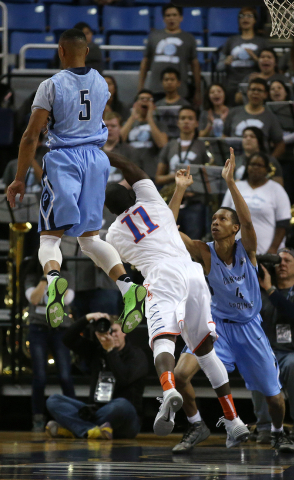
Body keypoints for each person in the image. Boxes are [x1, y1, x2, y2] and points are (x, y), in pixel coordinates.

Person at [6, 29, 146, 334]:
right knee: (90, 239)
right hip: (97, 160)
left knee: (49, 238)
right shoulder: (101, 82)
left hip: (65, 159)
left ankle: (54, 281)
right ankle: (127, 286)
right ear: (88, 49)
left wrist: (19, 179)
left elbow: (31, 136)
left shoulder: (51, 85)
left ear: (60, 51)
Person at [105, 151, 249, 446]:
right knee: (205, 350)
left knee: (163, 340)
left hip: (161, 277)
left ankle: (168, 388)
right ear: (132, 195)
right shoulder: (153, 202)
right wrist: (105, 154)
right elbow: (132, 165)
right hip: (192, 273)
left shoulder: (113, 236)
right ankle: (233, 419)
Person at [172, 148, 294, 454]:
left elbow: (250, 222)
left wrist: (230, 182)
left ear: (235, 228)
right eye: (213, 218)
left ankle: (279, 432)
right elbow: (168, 231)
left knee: (274, 397)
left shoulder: (248, 249)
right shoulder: (204, 251)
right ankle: (196, 424)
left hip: (249, 328)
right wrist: (178, 190)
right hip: (217, 328)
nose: (216, 221)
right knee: (179, 375)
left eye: (223, 218)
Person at [45, 313, 149, 439]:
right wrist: (87, 318)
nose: (111, 335)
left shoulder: (137, 355)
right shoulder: (96, 351)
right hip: (95, 411)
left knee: (121, 405)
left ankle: (74, 428)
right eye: (107, 332)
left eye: (114, 331)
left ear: (124, 331)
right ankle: (89, 430)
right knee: (54, 400)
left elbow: (124, 379)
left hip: (124, 418)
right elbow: (68, 338)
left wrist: (111, 351)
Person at [251, 248, 294, 446]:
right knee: (257, 362)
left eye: (287, 260)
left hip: (290, 353)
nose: (282, 264)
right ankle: (265, 429)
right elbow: (244, 263)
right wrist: (261, 259)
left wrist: (270, 289)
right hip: (265, 352)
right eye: (278, 261)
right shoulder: (259, 292)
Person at [23, 253, 75, 432]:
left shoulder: (66, 275)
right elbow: (35, 299)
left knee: (65, 375)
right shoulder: (32, 277)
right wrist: (45, 279)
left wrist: (55, 278)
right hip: (38, 329)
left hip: (60, 329)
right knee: (39, 376)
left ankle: (73, 415)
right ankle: (37, 417)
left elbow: (67, 299)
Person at [155, 106, 211, 239]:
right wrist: (175, 178)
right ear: (177, 122)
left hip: (194, 202)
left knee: (193, 242)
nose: (186, 121)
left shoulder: (203, 147)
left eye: (190, 118)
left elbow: (208, 177)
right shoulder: (170, 146)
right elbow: (158, 178)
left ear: (197, 123)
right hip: (172, 202)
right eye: (183, 118)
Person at [223, 152, 291, 255]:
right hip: (234, 252)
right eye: (252, 164)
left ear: (267, 169)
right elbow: (223, 216)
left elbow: (283, 223)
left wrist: (273, 249)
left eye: (259, 165)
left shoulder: (277, 189)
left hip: (265, 253)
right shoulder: (236, 186)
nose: (255, 168)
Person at [138, 3, 201, 105]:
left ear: (181, 18)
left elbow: (195, 65)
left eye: (174, 15)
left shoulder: (188, 38)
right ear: (163, 18)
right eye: (168, 15)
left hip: (180, 91)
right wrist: (140, 87)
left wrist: (198, 91)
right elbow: (145, 62)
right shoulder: (154, 36)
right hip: (156, 89)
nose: (171, 18)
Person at [216, 7, 268, 105]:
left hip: (253, 87)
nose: (245, 19)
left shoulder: (261, 42)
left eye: (249, 16)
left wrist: (255, 58)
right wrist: (225, 63)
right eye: (242, 16)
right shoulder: (231, 41)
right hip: (232, 86)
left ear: (255, 20)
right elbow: (219, 67)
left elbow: (268, 67)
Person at [223, 78, 285, 159]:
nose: (255, 93)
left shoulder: (270, 117)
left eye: (259, 90)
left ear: (266, 94)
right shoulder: (234, 112)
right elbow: (224, 136)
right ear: (247, 92)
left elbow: (280, 144)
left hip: (259, 164)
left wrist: (269, 162)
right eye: (252, 89)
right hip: (235, 161)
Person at [121, 89, 168, 179]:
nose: (145, 101)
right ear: (135, 104)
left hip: (150, 172)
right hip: (130, 171)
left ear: (153, 105)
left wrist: (150, 118)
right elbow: (119, 141)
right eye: (142, 99)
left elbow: (163, 144)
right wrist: (132, 118)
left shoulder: (159, 125)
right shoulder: (128, 123)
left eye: (149, 99)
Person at [154, 67, 190, 139]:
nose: (169, 82)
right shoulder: (156, 106)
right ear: (162, 83)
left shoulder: (186, 105)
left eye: (172, 80)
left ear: (178, 83)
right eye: (166, 80)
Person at [103, 111, 137, 184]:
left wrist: (113, 191)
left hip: (122, 193)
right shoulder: (94, 151)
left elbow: (134, 177)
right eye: (106, 126)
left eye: (113, 126)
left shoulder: (130, 151)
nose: (109, 129)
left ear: (120, 128)